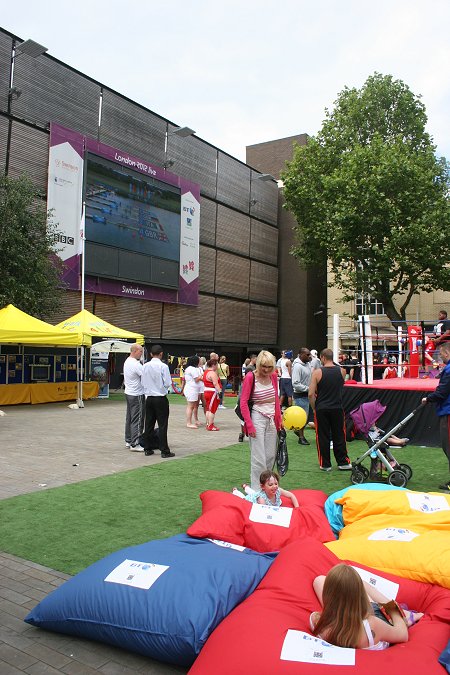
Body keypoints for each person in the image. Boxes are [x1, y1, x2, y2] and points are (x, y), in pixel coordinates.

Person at [311, 563, 423, 649]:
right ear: (359, 597)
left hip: (346, 618)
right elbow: (403, 635)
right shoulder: (373, 624)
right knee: (362, 585)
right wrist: (393, 609)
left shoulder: (317, 620)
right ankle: (407, 615)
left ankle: (341, 595)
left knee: (319, 580)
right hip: (372, 621)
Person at [240, 350, 283, 489]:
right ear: (258, 364)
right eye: (263, 366)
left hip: (271, 419)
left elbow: (276, 399)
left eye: (269, 367)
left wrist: (279, 418)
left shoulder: (274, 376)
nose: (266, 370)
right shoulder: (250, 377)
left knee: (270, 456)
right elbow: (243, 402)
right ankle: (257, 491)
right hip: (257, 416)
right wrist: (249, 425)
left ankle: (268, 487)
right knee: (259, 459)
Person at [308, 348, 352, 472]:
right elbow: (339, 386)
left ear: (322, 358)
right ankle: (343, 462)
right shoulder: (342, 371)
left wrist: (314, 408)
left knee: (322, 436)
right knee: (339, 435)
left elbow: (311, 394)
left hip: (322, 408)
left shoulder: (317, 372)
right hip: (337, 407)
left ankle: (325, 464)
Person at [422, 342, 450, 492]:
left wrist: (429, 398)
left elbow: (442, 391)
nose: (440, 357)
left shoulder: (449, 370)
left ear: (446, 353)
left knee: (448, 446)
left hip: (448, 411)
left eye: (441, 354)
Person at [141, 345, 175, 458]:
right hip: (160, 398)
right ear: (161, 354)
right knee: (162, 425)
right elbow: (167, 383)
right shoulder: (163, 366)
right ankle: (164, 450)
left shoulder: (145, 366)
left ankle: (148, 448)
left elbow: (143, 381)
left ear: (151, 354)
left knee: (149, 424)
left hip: (149, 397)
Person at [233, 470, 299, 507]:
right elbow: (265, 512)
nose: (274, 486)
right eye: (270, 485)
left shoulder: (278, 490)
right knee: (243, 498)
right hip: (249, 500)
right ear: (262, 487)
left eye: (276, 483)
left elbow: (291, 495)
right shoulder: (262, 499)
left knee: (254, 493)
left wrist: (297, 508)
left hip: (256, 495)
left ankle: (246, 487)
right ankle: (235, 491)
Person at [123, 343, 145, 452]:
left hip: (129, 393)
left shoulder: (127, 361)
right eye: (140, 351)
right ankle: (135, 443)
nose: (141, 354)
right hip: (137, 394)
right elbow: (145, 375)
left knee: (130, 417)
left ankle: (128, 440)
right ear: (135, 351)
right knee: (138, 418)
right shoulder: (136, 364)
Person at [291, 347, 313, 445]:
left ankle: (299, 432)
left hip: (307, 394)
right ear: (301, 354)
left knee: (307, 417)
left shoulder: (308, 364)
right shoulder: (297, 367)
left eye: (309, 354)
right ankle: (301, 437)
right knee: (302, 417)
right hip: (300, 395)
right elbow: (295, 383)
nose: (309, 356)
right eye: (307, 354)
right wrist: (309, 388)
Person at [182, 355, 203, 429]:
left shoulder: (189, 368)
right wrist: (203, 376)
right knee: (190, 406)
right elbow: (196, 379)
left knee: (192, 406)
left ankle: (191, 421)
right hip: (192, 389)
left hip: (192, 389)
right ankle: (189, 422)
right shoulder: (192, 369)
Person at [203, 359, 222, 431]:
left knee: (208, 408)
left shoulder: (205, 372)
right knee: (212, 410)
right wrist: (220, 392)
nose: (217, 366)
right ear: (214, 365)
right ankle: (210, 425)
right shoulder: (212, 373)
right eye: (217, 364)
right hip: (212, 392)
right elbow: (215, 384)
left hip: (206, 391)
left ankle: (208, 423)